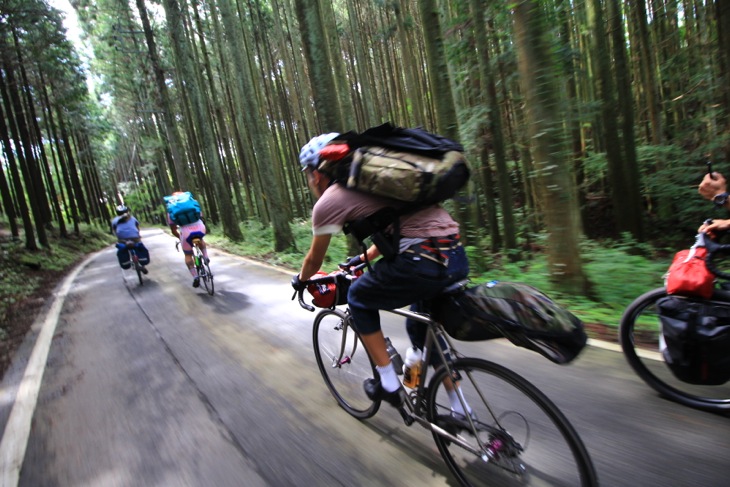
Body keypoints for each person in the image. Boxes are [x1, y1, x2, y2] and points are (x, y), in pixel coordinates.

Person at [291, 133, 471, 416]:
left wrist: (301, 280)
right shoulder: (381, 179)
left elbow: (314, 259)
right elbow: (402, 221)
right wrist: (364, 258)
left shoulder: (329, 202)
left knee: (359, 296)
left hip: (421, 262)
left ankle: (388, 383)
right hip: (456, 254)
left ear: (316, 173)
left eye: (308, 175)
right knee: (421, 329)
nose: (310, 181)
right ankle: (462, 408)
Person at [165, 192, 209, 288]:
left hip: (186, 232)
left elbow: (173, 229)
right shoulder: (192, 202)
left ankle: (195, 276)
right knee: (200, 240)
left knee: (188, 255)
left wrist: (180, 238)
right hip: (200, 228)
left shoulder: (171, 209)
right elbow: (200, 216)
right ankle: (205, 257)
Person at [111, 205, 148, 274]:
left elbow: (114, 231)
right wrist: (138, 235)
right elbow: (137, 227)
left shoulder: (114, 220)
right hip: (135, 238)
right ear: (127, 211)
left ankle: (127, 261)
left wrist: (118, 237)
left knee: (122, 248)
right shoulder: (132, 218)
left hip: (122, 239)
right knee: (139, 246)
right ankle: (142, 264)